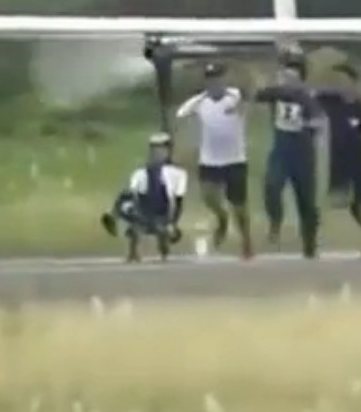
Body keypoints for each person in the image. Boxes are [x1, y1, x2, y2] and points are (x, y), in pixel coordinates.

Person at [174, 62, 253, 260]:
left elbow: (249, 97)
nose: (215, 83)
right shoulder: (200, 101)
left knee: (239, 206)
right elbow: (181, 114)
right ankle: (221, 218)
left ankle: (246, 241)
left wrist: (244, 98)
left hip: (235, 159)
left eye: (218, 78)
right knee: (209, 197)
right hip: (210, 159)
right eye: (211, 79)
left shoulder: (235, 96)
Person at [253, 51, 322, 258]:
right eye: (286, 76)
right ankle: (275, 221)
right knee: (272, 184)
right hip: (281, 149)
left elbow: (318, 121)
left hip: (303, 154)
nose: (289, 81)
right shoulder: (277, 92)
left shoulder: (308, 97)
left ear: (301, 78)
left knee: (306, 201)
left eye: (294, 77)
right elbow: (258, 94)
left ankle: (309, 245)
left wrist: (309, 124)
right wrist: (261, 83)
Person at [314, 62, 361, 256]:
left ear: (353, 83)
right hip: (335, 160)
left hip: (360, 161)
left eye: (344, 81)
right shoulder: (327, 101)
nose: (339, 84)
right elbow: (306, 95)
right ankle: (316, 242)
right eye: (336, 81)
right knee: (327, 201)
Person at [99, 132, 189, 263]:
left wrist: (173, 223)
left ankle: (163, 243)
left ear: (168, 150)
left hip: (163, 216)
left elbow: (178, 202)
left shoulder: (178, 174)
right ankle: (126, 238)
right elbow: (130, 193)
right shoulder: (140, 172)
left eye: (161, 148)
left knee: (163, 244)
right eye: (154, 148)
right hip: (142, 214)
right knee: (128, 201)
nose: (157, 152)